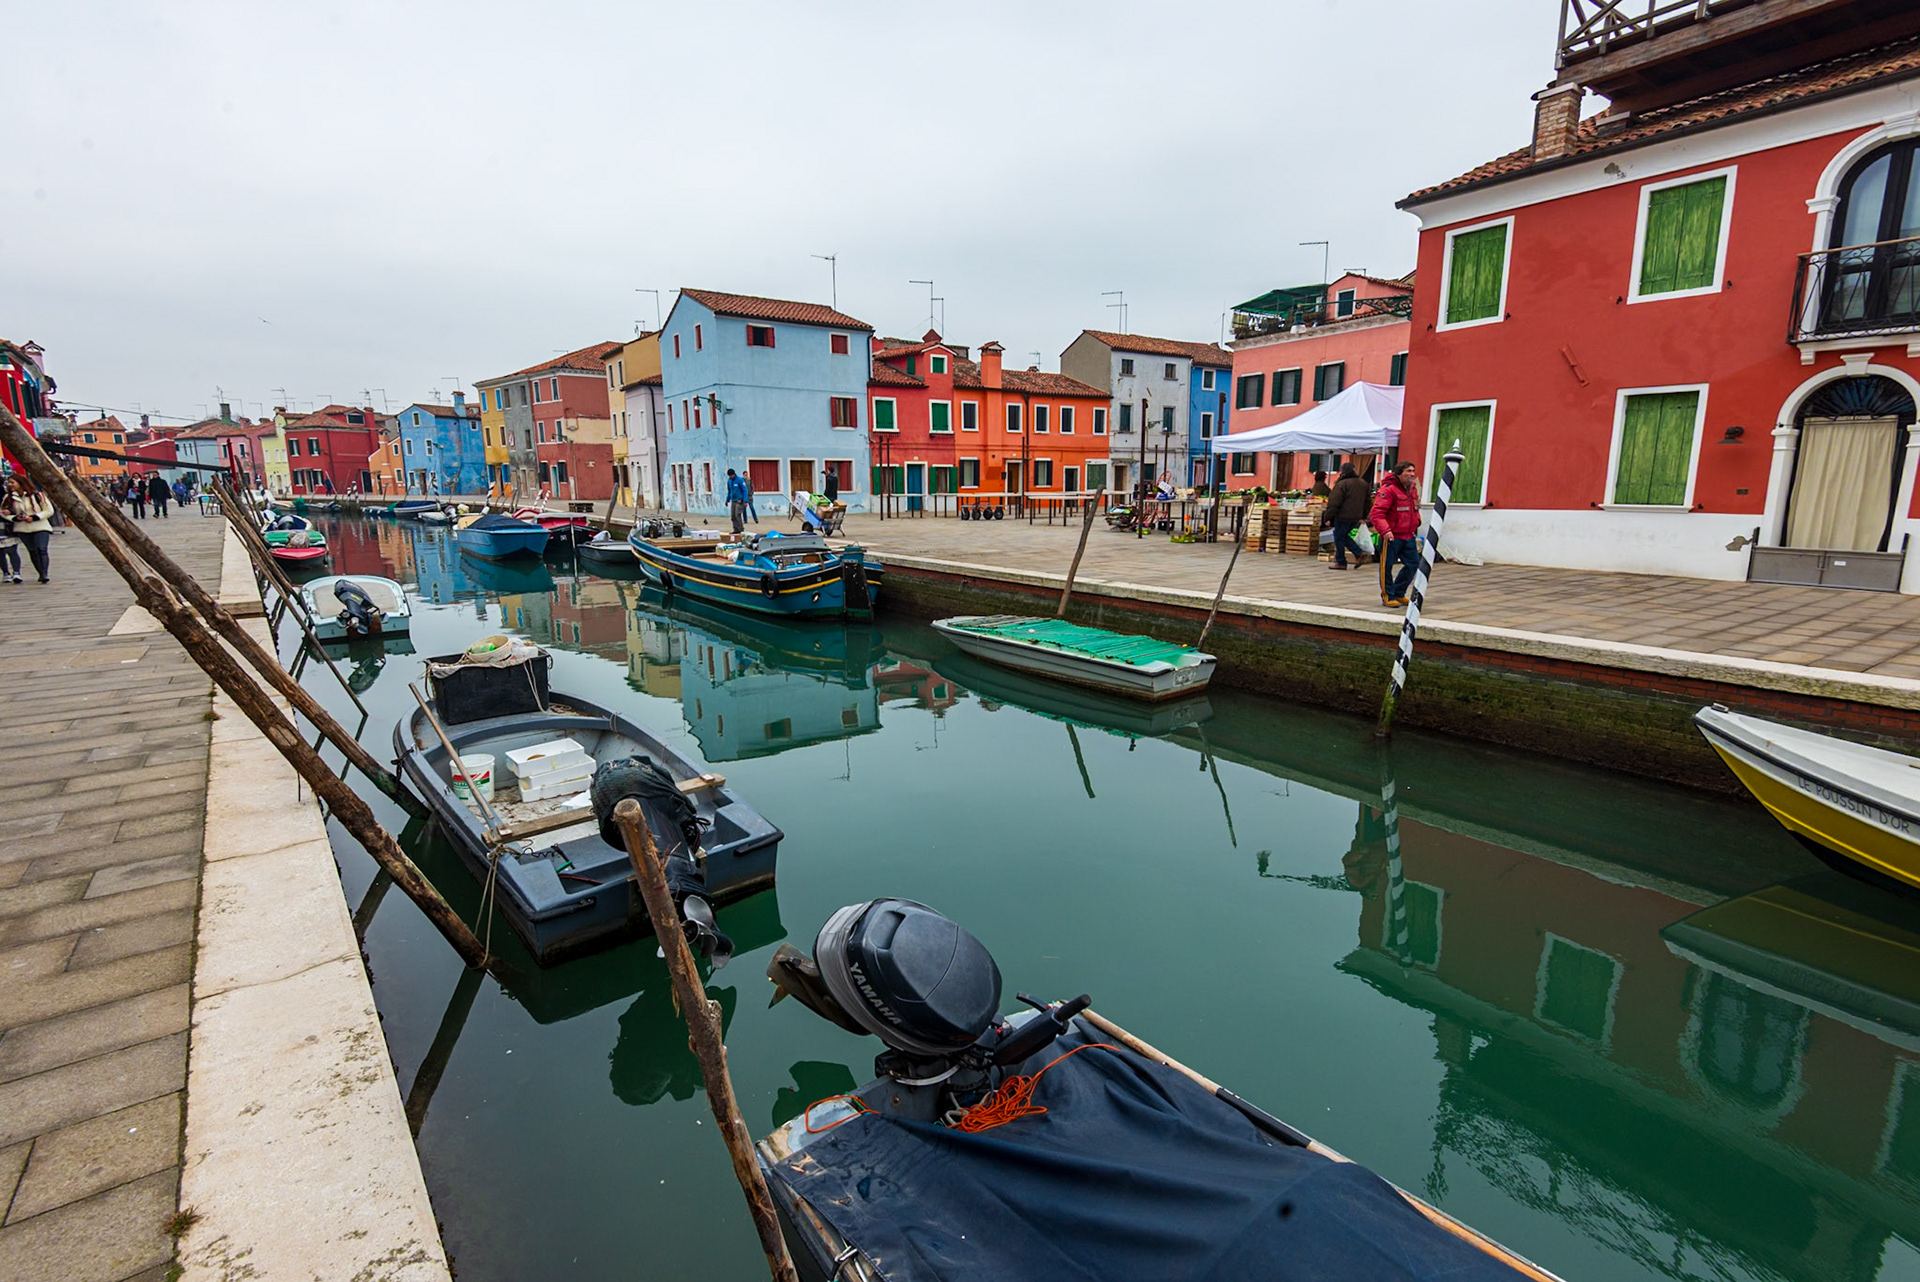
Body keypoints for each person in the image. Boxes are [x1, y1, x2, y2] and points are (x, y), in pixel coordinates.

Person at [1369, 462, 1423, 607]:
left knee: (1413, 564)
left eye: (1413, 471)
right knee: (1386, 567)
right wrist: (1386, 531)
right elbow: (1377, 513)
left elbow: (1414, 509)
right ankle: (1388, 595)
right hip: (1391, 536)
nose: (1412, 474)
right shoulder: (1388, 490)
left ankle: (1399, 592)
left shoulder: (1412, 489)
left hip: (1408, 535)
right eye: (1408, 471)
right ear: (1399, 473)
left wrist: (1417, 522)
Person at [1323, 462, 1372, 571]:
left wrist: (1328, 517)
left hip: (1342, 515)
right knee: (1343, 536)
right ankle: (1359, 554)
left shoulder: (1342, 484)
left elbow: (1334, 502)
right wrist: (1364, 516)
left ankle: (1341, 562)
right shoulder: (1363, 483)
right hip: (1356, 516)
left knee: (1339, 538)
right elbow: (1367, 502)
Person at [7, 478, 54, 584]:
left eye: (12, 482)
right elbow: (3, 512)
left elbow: (49, 510)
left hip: (41, 526)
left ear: (21, 483)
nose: (10, 485)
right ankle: (40, 572)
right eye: (9, 483)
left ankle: (44, 573)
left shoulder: (38, 495)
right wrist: (14, 518)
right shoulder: (9, 498)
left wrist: (35, 517)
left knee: (41, 549)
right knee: (33, 551)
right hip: (22, 528)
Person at [724, 467, 749, 534]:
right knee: (733, 516)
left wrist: (745, 501)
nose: (730, 477)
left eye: (731, 475)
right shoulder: (729, 481)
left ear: (734, 474)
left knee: (737, 515)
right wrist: (727, 500)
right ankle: (735, 529)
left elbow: (744, 490)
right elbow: (729, 491)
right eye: (729, 476)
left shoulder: (740, 480)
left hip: (739, 501)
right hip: (733, 501)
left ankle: (741, 529)